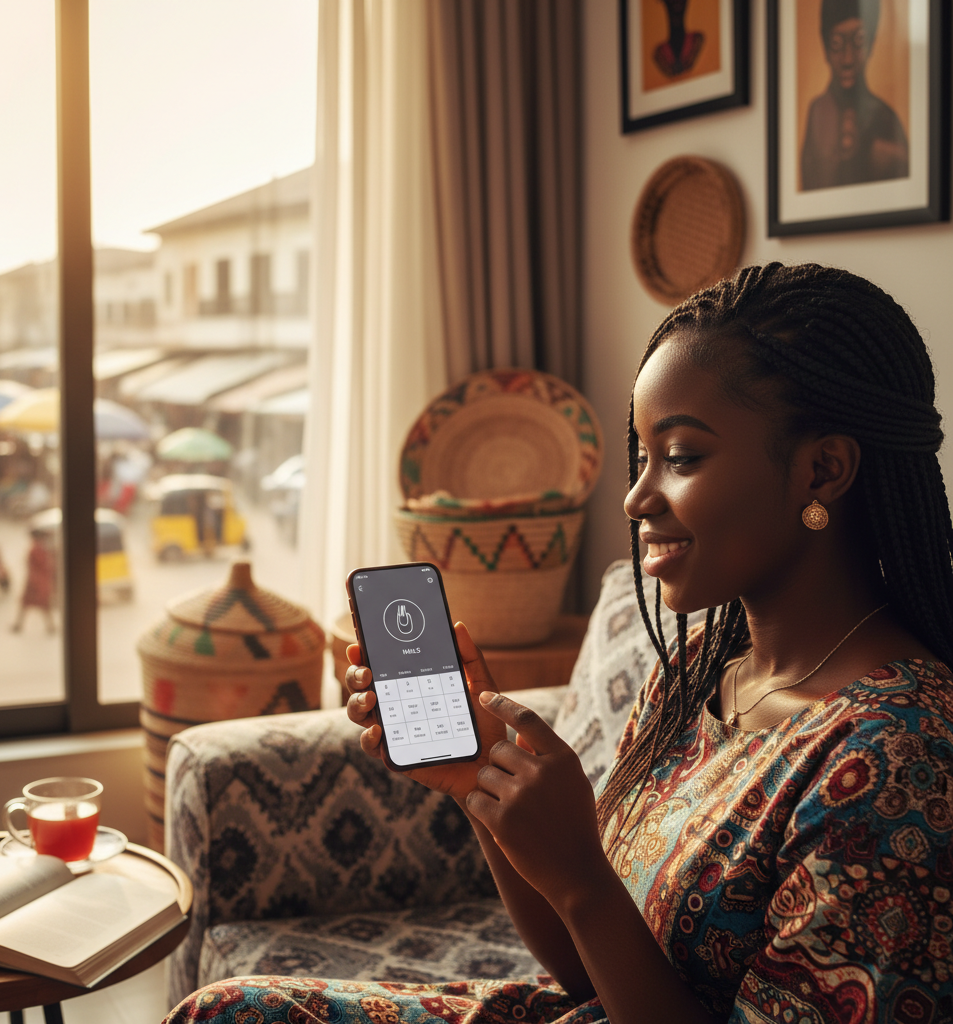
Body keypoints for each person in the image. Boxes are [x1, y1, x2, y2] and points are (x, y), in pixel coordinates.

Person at [164, 264, 953, 1023]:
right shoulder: (699, 674)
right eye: (643, 457)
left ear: (823, 469)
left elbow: (590, 910)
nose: (636, 495)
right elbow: (584, 975)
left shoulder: (898, 761)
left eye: (680, 457)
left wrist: (582, 877)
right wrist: (481, 784)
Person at [801, 0, 909, 191]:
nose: (848, 58)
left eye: (858, 41)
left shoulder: (885, 118)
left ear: (872, 44)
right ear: (825, 47)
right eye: (837, 44)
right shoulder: (817, 112)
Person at [10, 529, 56, 634]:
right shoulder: (38, 549)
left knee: (36, 605)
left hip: (36, 581)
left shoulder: (37, 549)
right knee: (38, 605)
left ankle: (49, 626)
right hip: (38, 581)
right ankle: (49, 626)